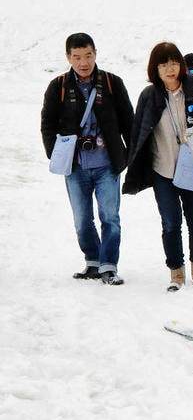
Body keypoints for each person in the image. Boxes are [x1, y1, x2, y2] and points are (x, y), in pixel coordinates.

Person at [40, 32, 135, 285]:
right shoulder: (58, 86)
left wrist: (127, 156)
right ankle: (92, 261)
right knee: (82, 219)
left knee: (110, 216)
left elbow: (129, 122)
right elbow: (47, 124)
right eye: (77, 57)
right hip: (75, 166)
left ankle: (108, 265)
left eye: (88, 56)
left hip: (107, 164)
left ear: (95, 54)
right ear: (68, 57)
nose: (84, 62)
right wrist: (56, 154)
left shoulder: (112, 83)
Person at [123, 42, 193, 292]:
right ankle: (176, 272)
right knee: (171, 223)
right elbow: (138, 133)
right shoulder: (149, 96)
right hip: (162, 169)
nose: (170, 69)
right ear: (155, 69)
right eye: (163, 64)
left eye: (174, 62)